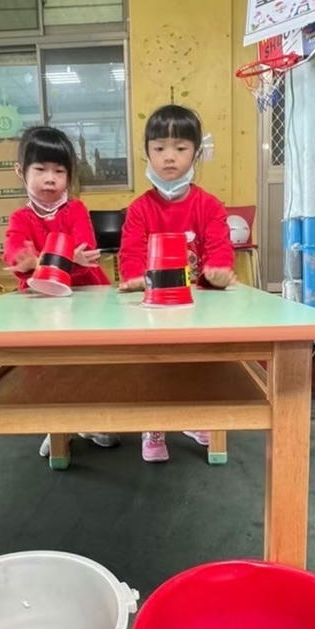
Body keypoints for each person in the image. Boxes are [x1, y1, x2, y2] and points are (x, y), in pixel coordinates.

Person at [118, 104, 236, 463]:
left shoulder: (209, 206)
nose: (169, 157)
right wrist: (133, 277)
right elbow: (130, 252)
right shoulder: (139, 209)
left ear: (196, 153)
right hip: (153, 307)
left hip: (197, 305)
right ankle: (153, 425)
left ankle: (197, 415)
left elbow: (219, 247)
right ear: (146, 153)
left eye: (180, 148)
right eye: (159, 148)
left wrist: (218, 270)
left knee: (200, 363)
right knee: (154, 363)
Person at [2, 125, 117, 456]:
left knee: (92, 364)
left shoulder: (76, 210)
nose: (50, 179)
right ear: (21, 172)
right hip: (42, 308)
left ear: (69, 175)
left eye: (59, 171)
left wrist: (48, 259)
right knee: (48, 366)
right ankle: (57, 426)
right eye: (40, 169)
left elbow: (85, 249)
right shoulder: (20, 218)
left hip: (85, 302)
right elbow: (13, 249)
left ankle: (93, 418)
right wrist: (24, 259)